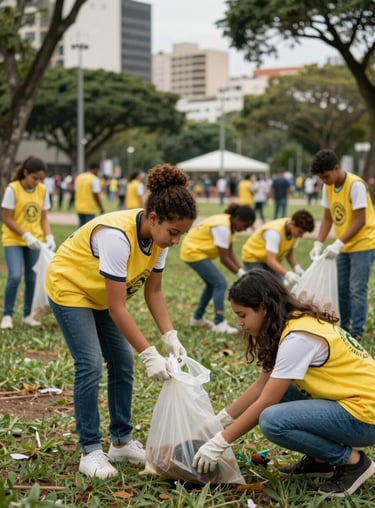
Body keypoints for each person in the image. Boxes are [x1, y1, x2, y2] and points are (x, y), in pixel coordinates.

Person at [45, 163, 197, 480]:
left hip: (99, 293)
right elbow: (118, 308)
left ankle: (121, 441)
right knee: (89, 362)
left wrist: (169, 334)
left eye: (181, 235)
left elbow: (153, 291)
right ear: (154, 217)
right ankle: (90, 451)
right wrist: (149, 353)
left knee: (122, 362)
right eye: (173, 232)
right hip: (70, 288)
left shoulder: (159, 240)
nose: (176, 241)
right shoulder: (117, 237)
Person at [192, 269, 375, 498]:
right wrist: (219, 421)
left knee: (272, 420)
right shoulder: (290, 323)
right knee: (284, 391)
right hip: (352, 404)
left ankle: (353, 463)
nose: (239, 323)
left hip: (365, 416)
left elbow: (266, 401)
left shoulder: (298, 338)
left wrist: (219, 442)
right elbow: (261, 387)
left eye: (242, 315)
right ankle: (320, 463)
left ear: (264, 308)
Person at [309, 149, 375, 341]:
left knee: (357, 289)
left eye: (326, 176)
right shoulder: (327, 187)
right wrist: (318, 243)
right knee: (341, 289)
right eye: (321, 178)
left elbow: (360, 220)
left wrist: (338, 243)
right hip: (344, 245)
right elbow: (328, 218)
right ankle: (343, 328)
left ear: (336, 168)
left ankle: (357, 331)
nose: (324, 180)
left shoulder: (355, 185)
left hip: (363, 243)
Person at [180, 203, 255, 334]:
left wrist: (242, 272)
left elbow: (230, 253)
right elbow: (224, 258)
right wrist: (240, 273)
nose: (244, 230)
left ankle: (197, 318)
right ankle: (219, 322)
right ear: (237, 219)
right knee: (220, 283)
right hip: (192, 252)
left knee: (212, 285)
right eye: (245, 226)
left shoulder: (229, 226)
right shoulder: (223, 227)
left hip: (196, 251)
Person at [1, 156, 55, 330]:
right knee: (15, 276)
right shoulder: (13, 189)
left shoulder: (42, 190)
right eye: (35, 178)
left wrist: (49, 236)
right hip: (14, 239)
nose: (37, 182)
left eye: (41, 179)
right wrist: (25, 235)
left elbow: (44, 217)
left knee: (32, 277)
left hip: (36, 241)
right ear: (26, 173)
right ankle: (7, 315)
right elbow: (7, 218)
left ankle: (27, 315)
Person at [241, 209, 314, 288]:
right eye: (300, 232)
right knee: (260, 286)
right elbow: (271, 260)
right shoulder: (274, 233)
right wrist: (288, 274)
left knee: (278, 286)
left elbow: (289, 252)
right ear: (292, 223)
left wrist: (296, 268)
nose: (301, 235)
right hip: (253, 257)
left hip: (268, 258)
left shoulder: (293, 231)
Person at [74, 162, 105, 227]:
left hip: (79, 207)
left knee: (81, 229)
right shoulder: (94, 179)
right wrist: (101, 207)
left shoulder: (79, 177)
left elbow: (75, 190)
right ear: (96, 169)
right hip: (89, 208)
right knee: (88, 229)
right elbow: (96, 195)